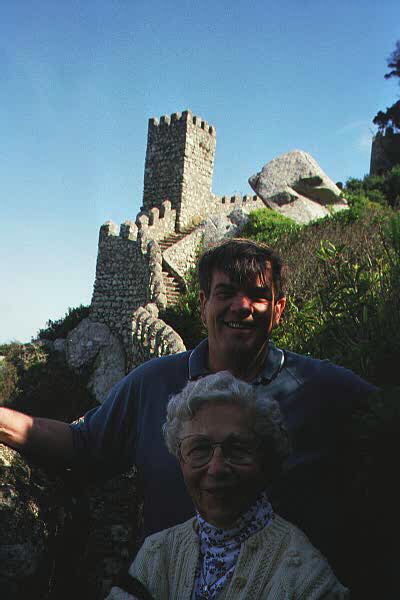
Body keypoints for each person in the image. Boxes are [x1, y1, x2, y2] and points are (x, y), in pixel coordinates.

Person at [0, 239, 375, 580]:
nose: (241, 306)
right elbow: (81, 443)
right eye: (225, 293)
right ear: (203, 304)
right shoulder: (152, 383)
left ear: (278, 310)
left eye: (257, 296)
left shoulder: (321, 387)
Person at [106, 372, 349, 600]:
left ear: (265, 460)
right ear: (181, 459)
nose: (216, 468)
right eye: (199, 449)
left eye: (238, 449)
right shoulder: (156, 554)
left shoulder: (306, 576)